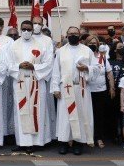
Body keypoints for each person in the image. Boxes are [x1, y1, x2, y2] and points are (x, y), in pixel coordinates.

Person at [51, 26, 101, 155]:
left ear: (79, 35)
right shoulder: (60, 51)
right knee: (65, 117)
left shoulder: (87, 50)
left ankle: (79, 143)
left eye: (75, 33)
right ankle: (64, 142)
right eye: (70, 33)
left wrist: (87, 68)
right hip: (65, 87)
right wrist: (55, 87)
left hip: (82, 87)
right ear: (67, 35)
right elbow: (56, 71)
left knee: (81, 115)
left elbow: (96, 68)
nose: (73, 35)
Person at [9, 19, 54, 152]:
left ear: (33, 30)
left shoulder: (41, 45)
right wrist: (19, 66)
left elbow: (48, 62)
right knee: (20, 111)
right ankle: (22, 142)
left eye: (29, 29)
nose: (27, 31)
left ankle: (36, 142)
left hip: (37, 81)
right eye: (24, 29)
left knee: (37, 110)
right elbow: (8, 63)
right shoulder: (13, 45)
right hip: (20, 81)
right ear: (20, 29)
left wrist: (34, 66)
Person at [86, 35, 115, 149]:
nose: (92, 45)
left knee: (99, 115)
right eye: (90, 43)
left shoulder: (102, 58)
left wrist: (112, 87)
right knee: (89, 115)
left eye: (94, 43)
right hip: (88, 91)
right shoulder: (85, 57)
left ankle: (99, 137)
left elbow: (109, 73)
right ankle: (88, 137)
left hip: (101, 91)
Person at [110, 41, 124, 143]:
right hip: (114, 91)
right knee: (114, 114)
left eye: (123, 47)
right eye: (120, 47)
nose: (122, 49)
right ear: (114, 50)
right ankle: (114, 134)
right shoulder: (110, 62)